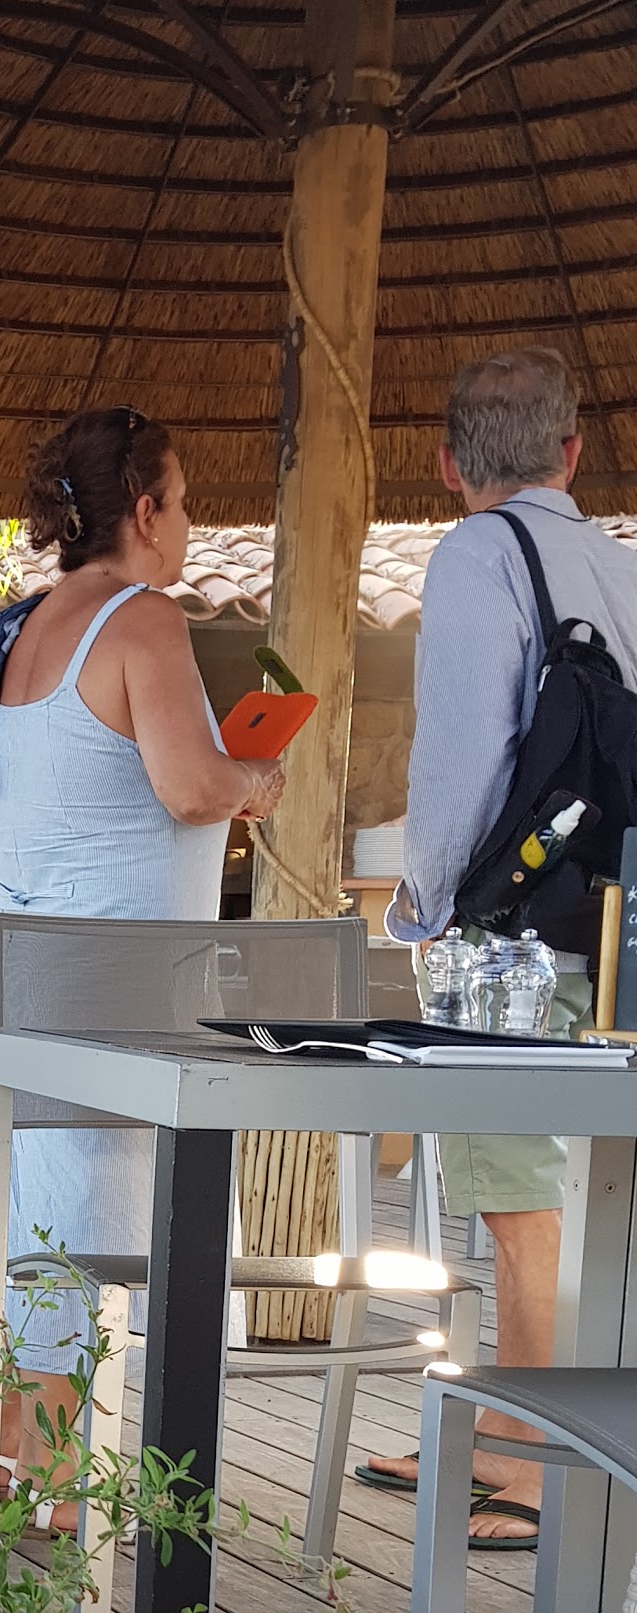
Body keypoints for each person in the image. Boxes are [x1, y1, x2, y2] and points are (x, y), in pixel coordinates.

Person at [0, 405, 284, 1526]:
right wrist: (252, 778)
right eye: (182, 502)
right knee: (91, 1221)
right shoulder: (143, 619)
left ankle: (14, 1455)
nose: (188, 523)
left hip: (34, 965)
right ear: (143, 509)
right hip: (126, 980)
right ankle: (52, 1476)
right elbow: (189, 788)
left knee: (45, 1210)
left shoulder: (21, 628)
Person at [381, 347, 637, 1547]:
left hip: (513, 934)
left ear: (446, 465)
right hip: (615, 925)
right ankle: (504, 1432)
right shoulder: (620, 565)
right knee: (565, 1193)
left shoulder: (478, 555)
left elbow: (462, 757)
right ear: (572, 452)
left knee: (521, 1203)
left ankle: (535, 1465)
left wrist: (423, 901)